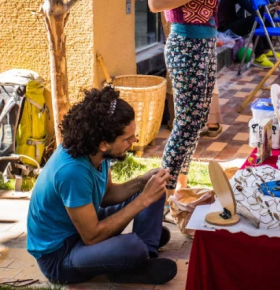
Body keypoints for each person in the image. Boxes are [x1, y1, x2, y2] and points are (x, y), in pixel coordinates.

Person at [27, 88, 176, 285]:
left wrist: (142, 182)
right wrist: (143, 200)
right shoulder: (72, 172)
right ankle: (132, 258)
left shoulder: (97, 151)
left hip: (83, 228)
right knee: (132, 245)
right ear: (104, 143)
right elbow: (92, 236)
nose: (135, 140)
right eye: (127, 138)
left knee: (153, 189)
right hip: (61, 257)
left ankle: (145, 254)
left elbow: (106, 195)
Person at [148, 0, 231, 197]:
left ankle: (179, 187)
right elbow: (156, 1)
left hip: (203, 44)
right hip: (186, 46)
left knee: (194, 122)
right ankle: (163, 194)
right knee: (186, 123)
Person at [217, 0, 276, 69]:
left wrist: (271, 7)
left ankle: (267, 49)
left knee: (266, 12)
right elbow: (252, 9)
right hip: (226, 28)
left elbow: (258, 8)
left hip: (236, 23)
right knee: (256, 17)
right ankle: (259, 56)